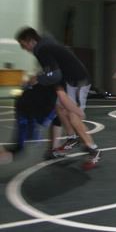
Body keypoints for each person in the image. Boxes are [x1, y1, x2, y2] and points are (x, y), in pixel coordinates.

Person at [15, 27, 101, 170]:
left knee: (74, 116)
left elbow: (54, 75)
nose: (24, 48)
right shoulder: (45, 43)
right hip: (69, 79)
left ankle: (94, 150)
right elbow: (53, 70)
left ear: (30, 41)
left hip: (78, 81)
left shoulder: (41, 49)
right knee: (59, 108)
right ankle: (72, 139)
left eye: (23, 45)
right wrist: (38, 78)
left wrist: (36, 79)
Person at [0, 83, 57, 164]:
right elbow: (44, 120)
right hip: (27, 108)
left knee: (19, 147)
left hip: (26, 106)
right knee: (19, 149)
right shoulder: (52, 93)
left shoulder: (43, 85)